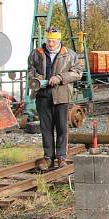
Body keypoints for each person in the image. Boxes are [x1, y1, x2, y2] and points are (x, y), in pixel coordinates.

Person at [27, 27, 83, 169]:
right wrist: (37, 79)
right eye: (49, 40)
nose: (50, 43)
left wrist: (60, 77)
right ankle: (48, 158)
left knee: (62, 128)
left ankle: (61, 157)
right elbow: (30, 70)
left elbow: (77, 72)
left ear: (59, 40)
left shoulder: (69, 55)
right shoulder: (36, 54)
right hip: (42, 95)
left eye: (53, 41)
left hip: (61, 96)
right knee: (46, 128)